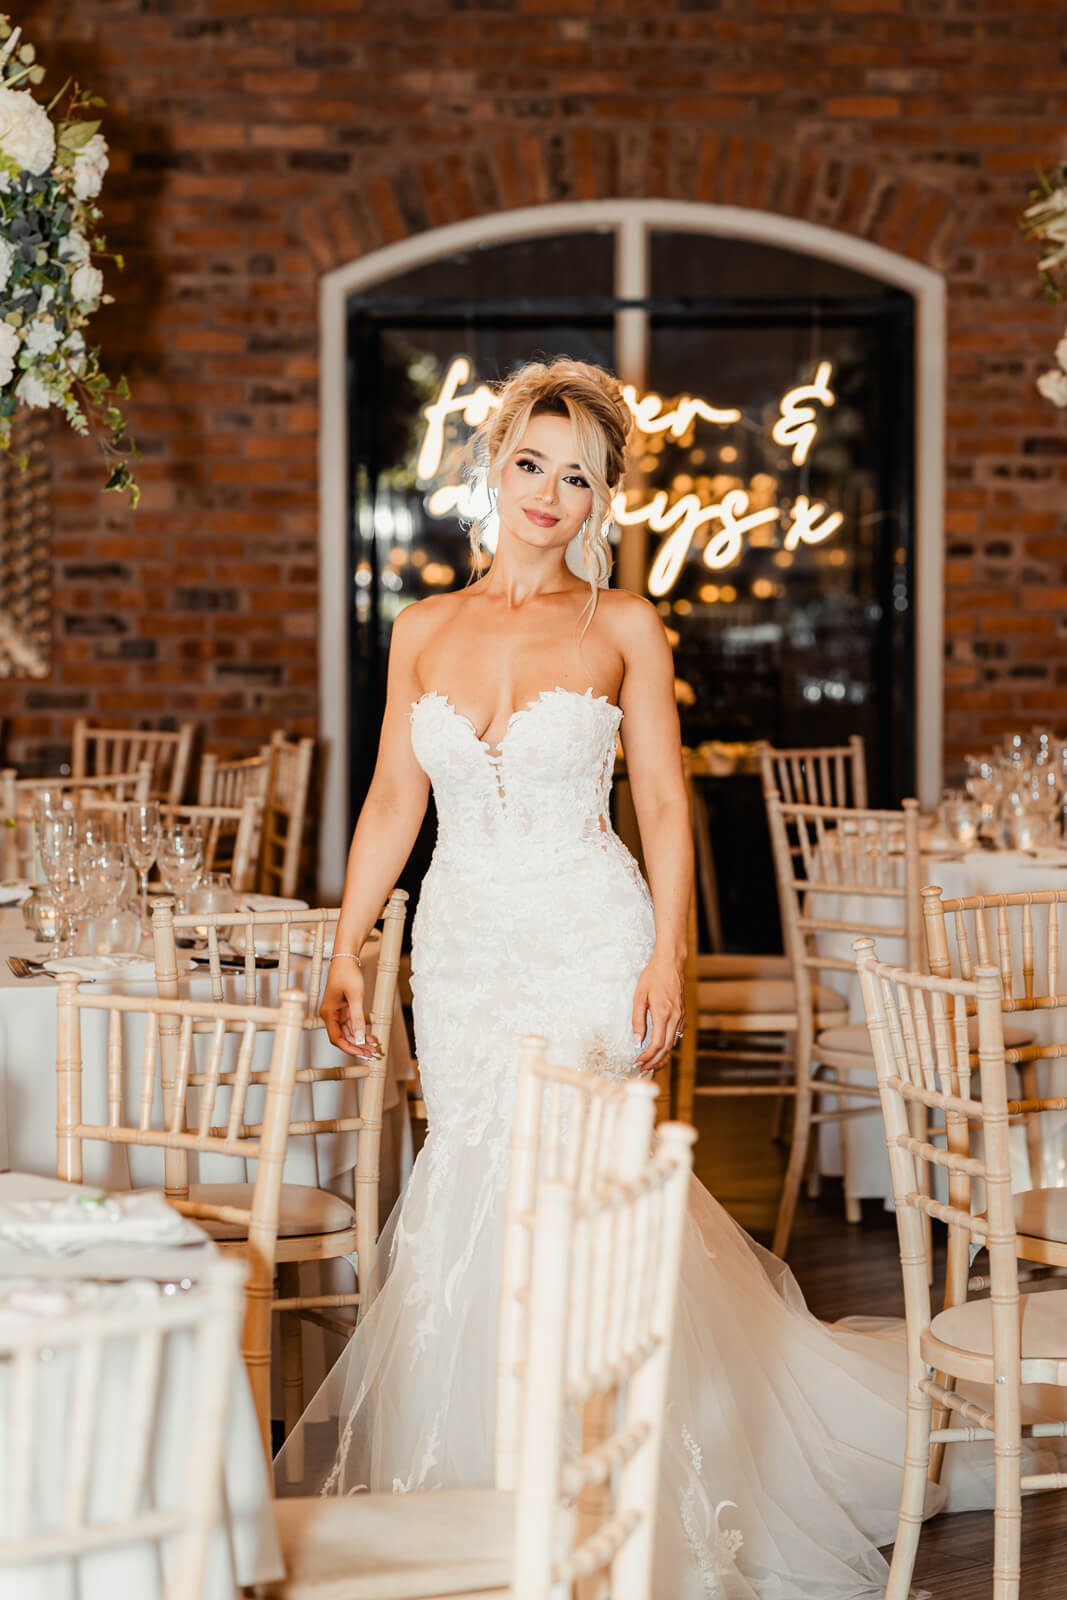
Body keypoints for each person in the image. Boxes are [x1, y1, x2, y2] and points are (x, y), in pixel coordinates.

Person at [276, 358, 1037, 1597]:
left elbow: (666, 810)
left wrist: (664, 953)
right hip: (463, 951)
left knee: (584, 1199)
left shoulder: (622, 625)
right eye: (530, 462)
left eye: (575, 477)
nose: (546, 492)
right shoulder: (422, 627)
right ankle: (488, 1485)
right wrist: (347, 940)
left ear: (600, 502)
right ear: (493, 462)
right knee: (472, 1185)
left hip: (587, 932)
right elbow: (391, 800)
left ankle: (616, 1486)